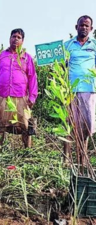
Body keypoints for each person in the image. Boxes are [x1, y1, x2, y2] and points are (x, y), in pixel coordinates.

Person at [0, 28, 38, 148]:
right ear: (9, 38)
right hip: (2, 96)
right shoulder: (0, 56)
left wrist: (32, 97)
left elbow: (32, 78)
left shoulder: (26, 57)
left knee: (25, 125)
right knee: (0, 125)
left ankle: (27, 151)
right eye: (13, 36)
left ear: (23, 41)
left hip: (21, 97)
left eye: (19, 37)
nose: (16, 39)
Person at [63, 15, 96, 162]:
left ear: (91, 29)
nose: (83, 27)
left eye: (86, 26)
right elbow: (59, 65)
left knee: (87, 124)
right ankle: (66, 156)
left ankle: (82, 156)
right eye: (81, 25)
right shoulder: (67, 45)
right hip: (70, 90)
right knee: (69, 122)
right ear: (76, 27)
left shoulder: (94, 45)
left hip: (89, 90)